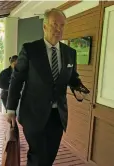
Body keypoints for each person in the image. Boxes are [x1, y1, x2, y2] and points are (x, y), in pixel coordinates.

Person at [6, 8, 90, 166]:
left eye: (62, 25)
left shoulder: (70, 53)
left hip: (57, 116)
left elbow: (72, 77)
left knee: (49, 156)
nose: (59, 29)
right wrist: (10, 109)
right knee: (38, 156)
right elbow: (16, 80)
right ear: (44, 26)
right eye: (54, 24)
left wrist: (78, 86)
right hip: (33, 114)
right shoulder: (30, 50)